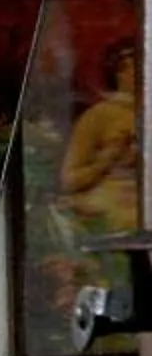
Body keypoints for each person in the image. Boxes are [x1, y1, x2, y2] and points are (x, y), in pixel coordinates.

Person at [61, 38, 140, 234]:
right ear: (119, 72)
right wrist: (105, 160)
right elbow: (70, 180)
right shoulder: (98, 116)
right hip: (110, 205)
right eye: (134, 67)